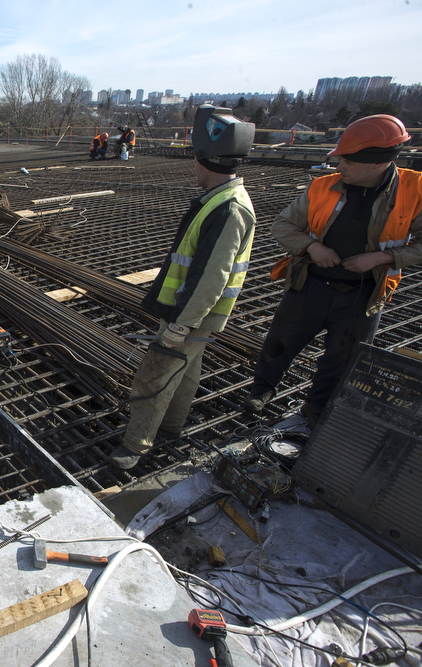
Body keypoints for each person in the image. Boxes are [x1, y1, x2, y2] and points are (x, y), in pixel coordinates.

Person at [242, 114, 422, 426]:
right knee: (280, 341)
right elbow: (283, 225)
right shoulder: (322, 187)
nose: (339, 166)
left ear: (376, 163)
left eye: (347, 161)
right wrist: (312, 247)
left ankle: (316, 409)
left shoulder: (414, 191)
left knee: (342, 359)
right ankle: (262, 389)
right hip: (311, 284)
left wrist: (383, 258)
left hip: (364, 292)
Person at [108, 105, 256, 469]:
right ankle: (171, 429)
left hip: (190, 315)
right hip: (195, 315)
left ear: (205, 161)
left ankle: (134, 446)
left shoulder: (228, 210)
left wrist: (180, 324)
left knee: (155, 377)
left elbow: (212, 277)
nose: (194, 167)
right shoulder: (222, 201)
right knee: (186, 372)